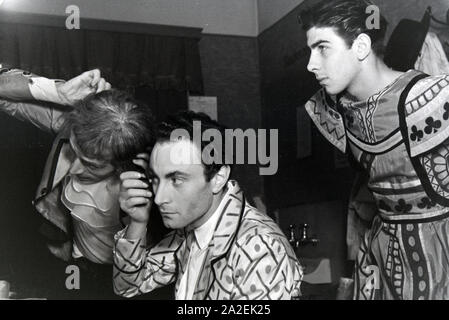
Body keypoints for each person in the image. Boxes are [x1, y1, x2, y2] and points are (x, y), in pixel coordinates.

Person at [300, 0, 449, 299]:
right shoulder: (333, 111)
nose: (311, 64)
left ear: (360, 46)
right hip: (380, 257)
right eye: (310, 50)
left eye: (323, 48)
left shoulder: (431, 99)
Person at [0, 69, 158, 298]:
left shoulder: (154, 184)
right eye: (71, 152)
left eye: (91, 165)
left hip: (125, 278)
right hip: (74, 264)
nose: (72, 169)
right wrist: (57, 92)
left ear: (123, 164)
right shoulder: (72, 125)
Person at [114, 111, 303, 300]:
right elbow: (128, 285)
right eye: (155, 179)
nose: (158, 198)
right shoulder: (190, 230)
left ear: (218, 179)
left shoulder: (258, 247)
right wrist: (138, 222)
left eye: (176, 179)